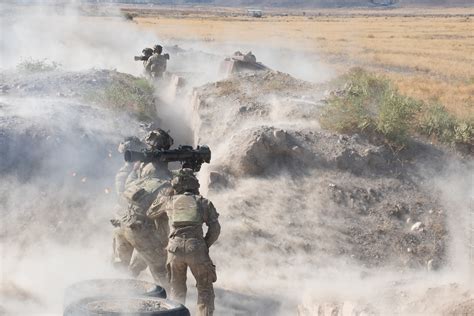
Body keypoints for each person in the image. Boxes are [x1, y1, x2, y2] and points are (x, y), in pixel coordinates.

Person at [147, 169, 221, 316]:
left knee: (177, 290)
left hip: (174, 249)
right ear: (194, 184)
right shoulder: (203, 202)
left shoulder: (169, 201)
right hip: (197, 247)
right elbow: (215, 228)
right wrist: (204, 244)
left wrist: (165, 194)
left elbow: (151, 213)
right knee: (205, 289)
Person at [118, 129, 175, 288]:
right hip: (140, 229)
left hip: (124, 226)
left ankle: (123, 289)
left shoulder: (136, 182)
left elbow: (125, 189)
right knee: (160, 268)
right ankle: (168, 303)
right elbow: (164, 217)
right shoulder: (165, 185)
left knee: (135, 260)